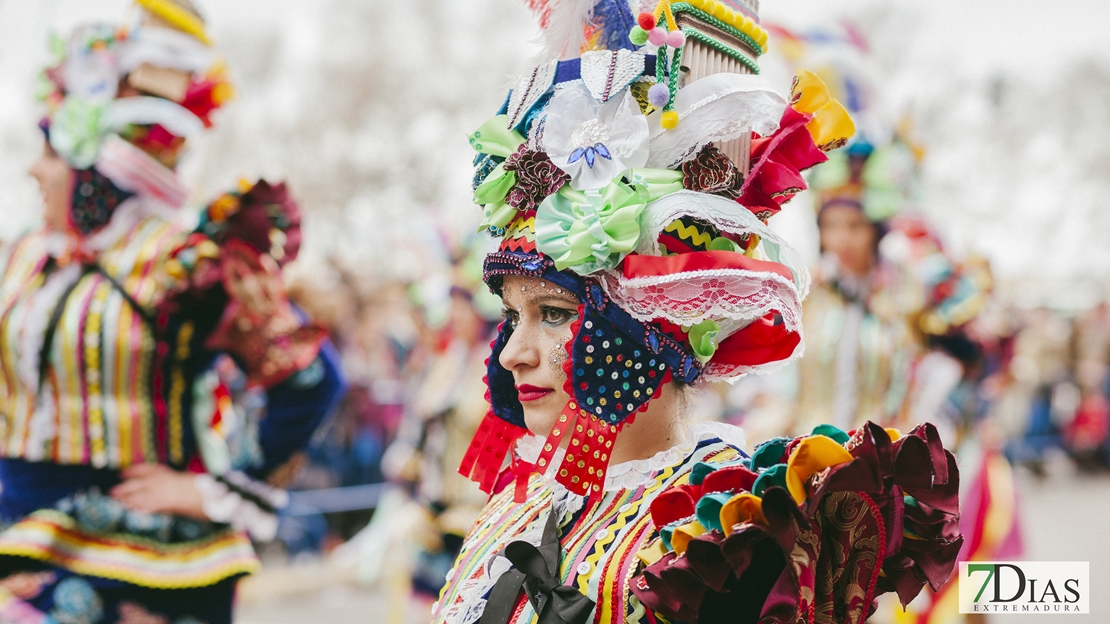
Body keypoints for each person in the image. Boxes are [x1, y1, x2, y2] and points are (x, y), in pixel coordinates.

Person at [433, 1, 962, 622]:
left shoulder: (718, 547)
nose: (511, 353)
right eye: (513, 316)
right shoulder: (514, 508)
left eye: (552, 313)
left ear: (647, 328)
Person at [0, 3, 344, 622]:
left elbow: (311, 379)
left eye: (50, 151)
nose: (33, 169)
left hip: (142, 566)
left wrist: (219, 489)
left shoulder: (184, 261)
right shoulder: (26, 256)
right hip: (19, 534)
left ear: (96, 171)